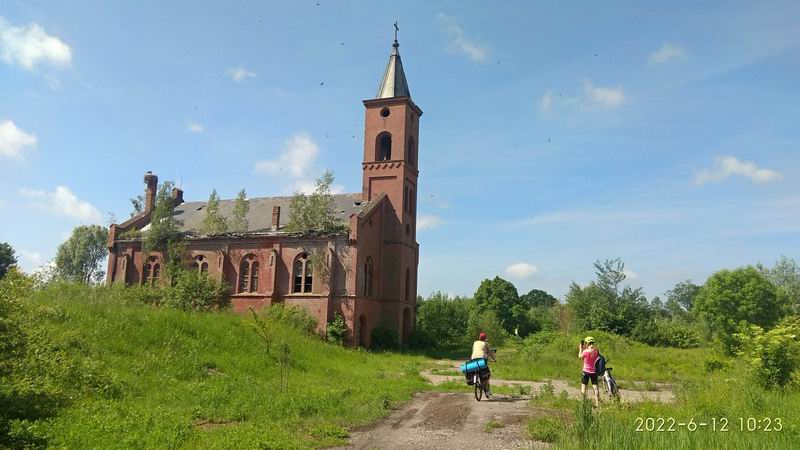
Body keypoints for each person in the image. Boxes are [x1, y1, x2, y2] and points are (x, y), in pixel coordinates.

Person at [471, 331, 496, 397]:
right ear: (485, 338)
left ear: (479, 338)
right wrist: (494, 359)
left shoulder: (475, 342)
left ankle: (475, 380)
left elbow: (473, 350)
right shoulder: (486, 343)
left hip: (473, 359)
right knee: (486, 375)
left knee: (476, 370)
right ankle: (487, 392)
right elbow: (490, 352)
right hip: (482, 360)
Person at [578, 336, 600, 407]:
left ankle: (583, 403)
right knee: (595, 388)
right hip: (594, 372)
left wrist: (580, 349)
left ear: (587, 343)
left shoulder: (585, 351)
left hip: (586, 371)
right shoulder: (596, 351)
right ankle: (597, 404)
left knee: (584, 388)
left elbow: (580, 356)